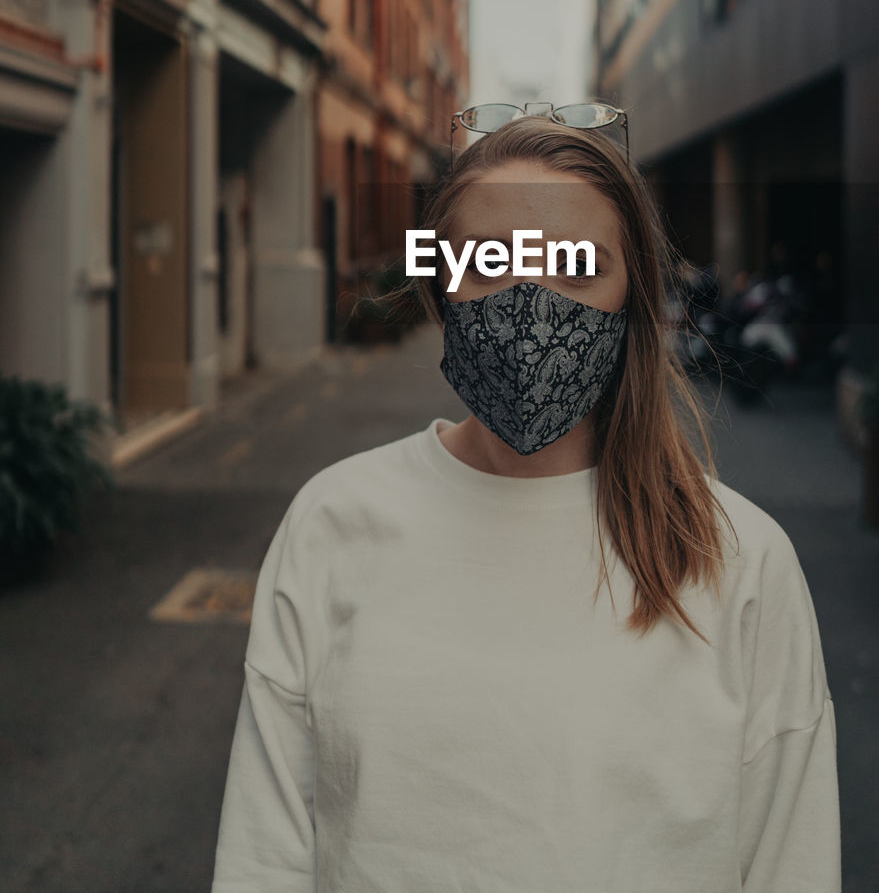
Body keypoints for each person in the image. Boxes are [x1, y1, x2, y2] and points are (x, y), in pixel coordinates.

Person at [210, 114, 841, 892]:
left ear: (633, 298)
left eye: (577, 268)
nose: (531, 306)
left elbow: (791, 863)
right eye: (490, 262)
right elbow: (264, 856)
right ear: (441, 291)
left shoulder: (739, 558)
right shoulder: (333, 522)